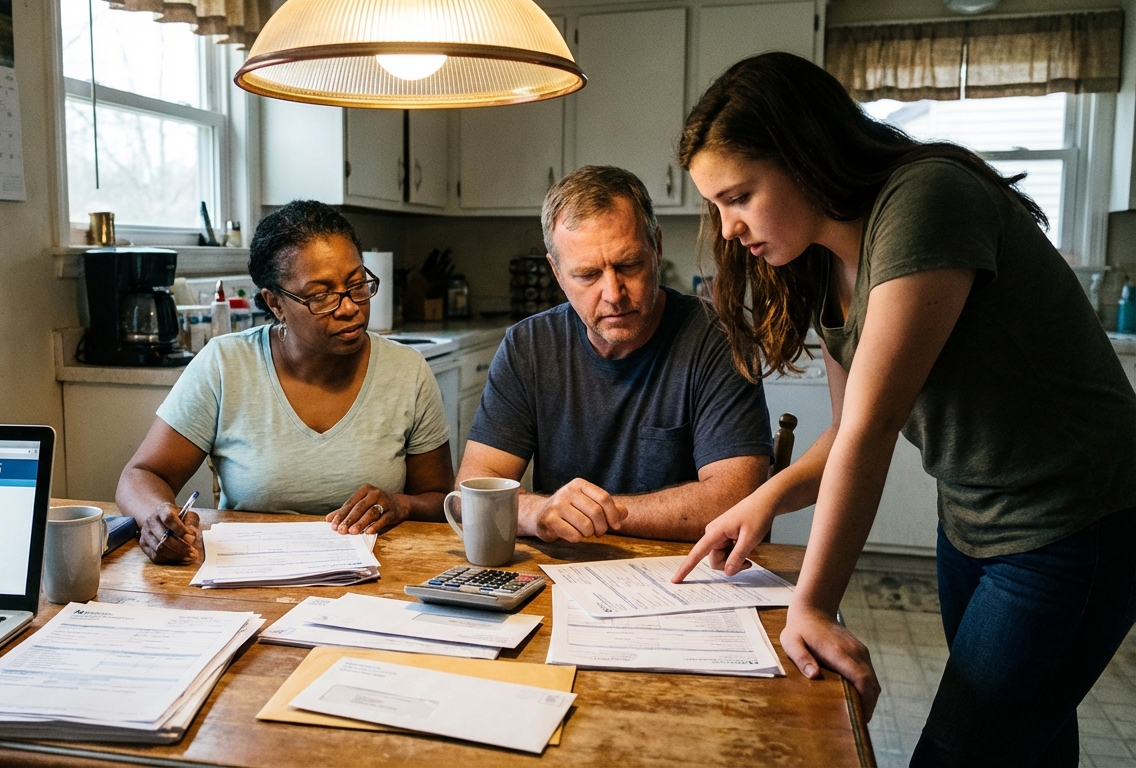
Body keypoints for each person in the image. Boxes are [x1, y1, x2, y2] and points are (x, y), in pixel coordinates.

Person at [672, 51, 1136, 767]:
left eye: (738, 196)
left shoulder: (927, 199)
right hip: (974, 520)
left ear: (804, 155)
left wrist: (812, 605)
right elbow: (842, 432)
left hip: (1078, 522)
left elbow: (872, 428)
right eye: (716, 206)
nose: (727, 227)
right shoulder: (821, 262)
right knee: (1031, 744)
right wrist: (765, 499)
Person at [116, 200, 454, 565]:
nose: (349, 307)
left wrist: (401, 504)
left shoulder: (407, 371)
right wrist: (156, 518)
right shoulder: (225, 365)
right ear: (275, 303)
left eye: (357, 284)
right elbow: (141, 474)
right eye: (321, 295)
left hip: (376, 577)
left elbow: (440, 500)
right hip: (247, 574)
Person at [457, 165, 773, 544]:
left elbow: (735, 500)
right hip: (565, 569)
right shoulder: (528, 346)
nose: (613, 294)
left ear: (657, 248)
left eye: (628, 265)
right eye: (587, 274)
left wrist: (591, 515)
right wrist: (536, 513)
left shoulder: (718, 339)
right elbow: (470, 493)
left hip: (687, 569)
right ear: (557, 273)